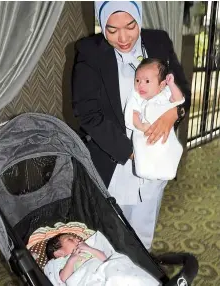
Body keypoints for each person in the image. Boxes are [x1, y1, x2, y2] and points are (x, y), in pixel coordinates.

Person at [71, 1, 191, 250]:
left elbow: (182, 90)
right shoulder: (89, 51)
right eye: (112, 30)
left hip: (155, 157)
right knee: (109, 235)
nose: (123, 37)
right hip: (115, 159)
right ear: (102, 23)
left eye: (130, 26)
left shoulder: (158, 42)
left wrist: (173, 113)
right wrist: (131, 151)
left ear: (139, 18)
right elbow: (87, 113)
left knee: (143, 231)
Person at [124, 58, 185, 180]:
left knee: (167, 153)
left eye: (147, 81)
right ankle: (144, 170)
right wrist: (140, 126)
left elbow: (178, 100)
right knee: (144, 155)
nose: (140, 85)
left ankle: (169, 171)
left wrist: (172, 85)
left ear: (161, 85)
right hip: (145, 133)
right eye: (137, 80)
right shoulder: (137, 98)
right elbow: (132, 114)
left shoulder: (166, 93)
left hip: (164, 135)